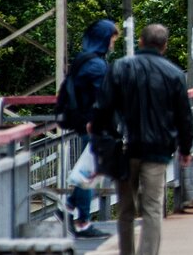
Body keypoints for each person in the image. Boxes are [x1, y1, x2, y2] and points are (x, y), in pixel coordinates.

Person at [92, 24, 193, 255]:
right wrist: (185, 149)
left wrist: (103, 136)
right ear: (165, 46)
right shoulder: (174, 74)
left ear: (140, 41)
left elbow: (103, 108)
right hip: (157, 151)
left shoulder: (119, 68)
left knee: (126, 210)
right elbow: (184, 117)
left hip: (124, 149)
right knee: (152, 209)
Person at [64, 19, 119, 239]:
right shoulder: (96, 64)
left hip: (86, 121)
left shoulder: (86, 59)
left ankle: (67, 207)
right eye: (112, 39)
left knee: (88, 169)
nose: (113, 44)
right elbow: (102, 98)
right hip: (93, 124)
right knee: (89, 171)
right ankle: (82, 222)